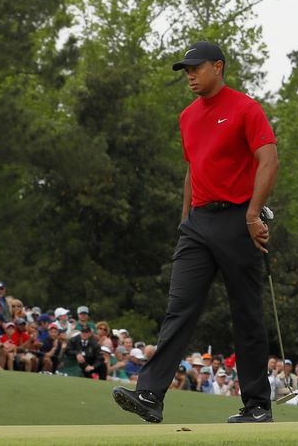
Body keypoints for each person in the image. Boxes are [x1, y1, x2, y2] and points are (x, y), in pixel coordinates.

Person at [114, 41, 279, 425]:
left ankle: (257, 406)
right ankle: (150, 394)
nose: (189, 75)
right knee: (179, 308)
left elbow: (268, 159)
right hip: (198, 225)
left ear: (217, 67)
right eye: (185, 70)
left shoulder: (245, 108)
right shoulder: (187, 116)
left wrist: (254, 214)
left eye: (195, 68)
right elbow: (194, 169)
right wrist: (184, 220)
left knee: (247, 316)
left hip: (238, 221)